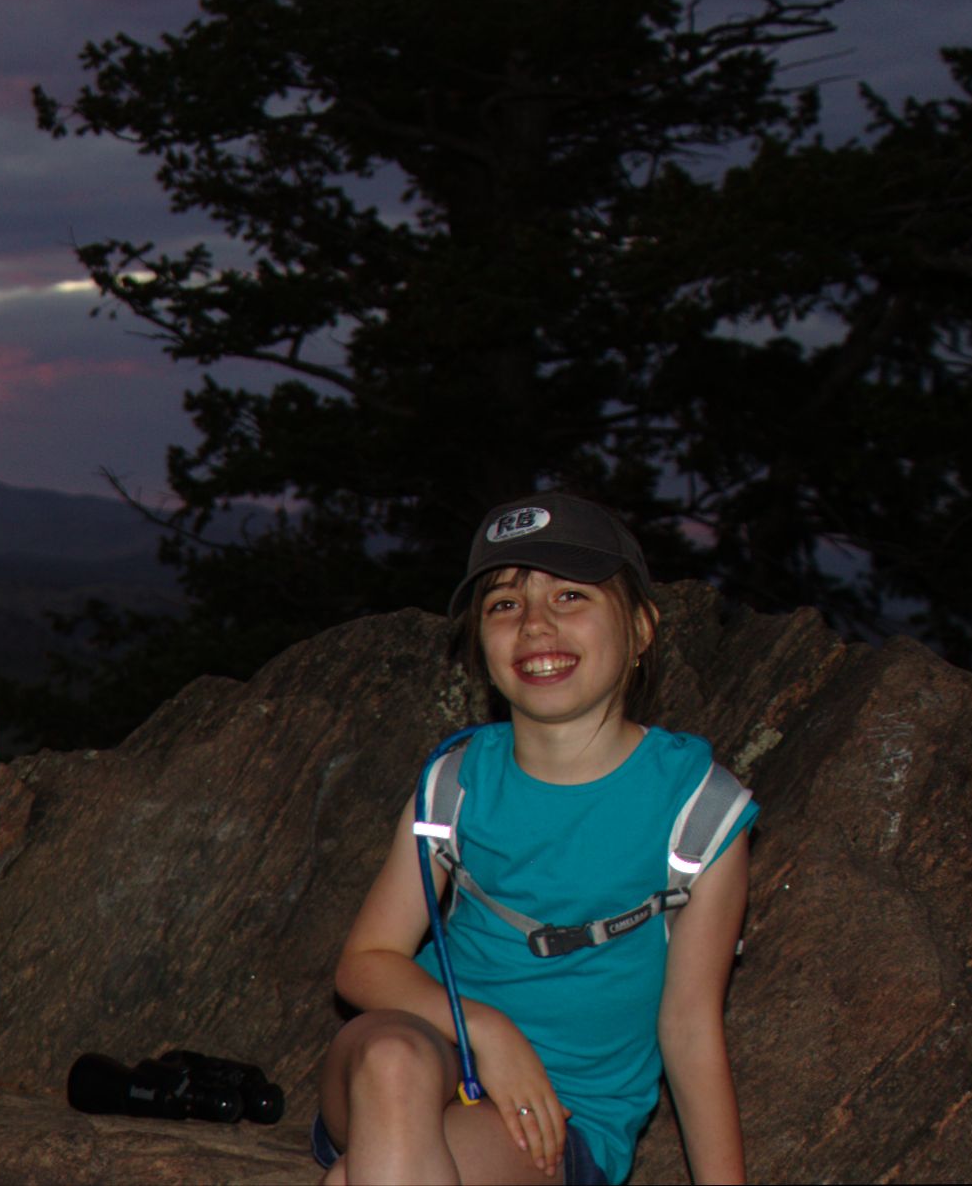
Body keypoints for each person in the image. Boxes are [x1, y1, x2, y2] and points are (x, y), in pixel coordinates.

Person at [313, 493, 757, 1185]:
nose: (536, 625)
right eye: (503, 605)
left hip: (563, 1116)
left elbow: (690, 1027)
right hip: (417, 1055)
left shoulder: (697, 811)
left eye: (571, 595)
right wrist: (487, 1030)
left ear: (641, 628)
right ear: (478, 644)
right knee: (392, 1061)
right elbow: (366, 961)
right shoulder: (455, 783)